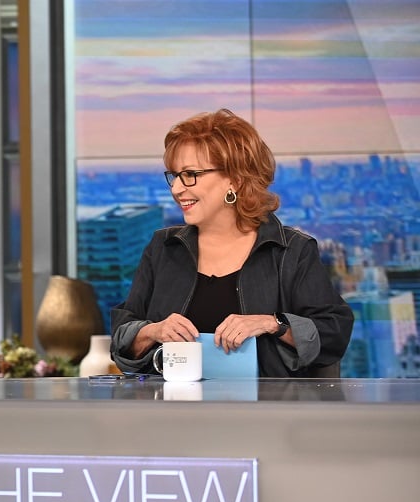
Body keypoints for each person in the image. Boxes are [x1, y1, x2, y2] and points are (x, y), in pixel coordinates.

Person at [111, 109, 353, 377]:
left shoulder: (291, 251)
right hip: (174, 412)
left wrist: (273, 323)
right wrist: (151, 331)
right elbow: (122, 333)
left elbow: (334, 333)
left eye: (190, 174)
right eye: (174, 175)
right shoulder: (163, 248)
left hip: (266, 413)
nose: (177, 188)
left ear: (235, 180)